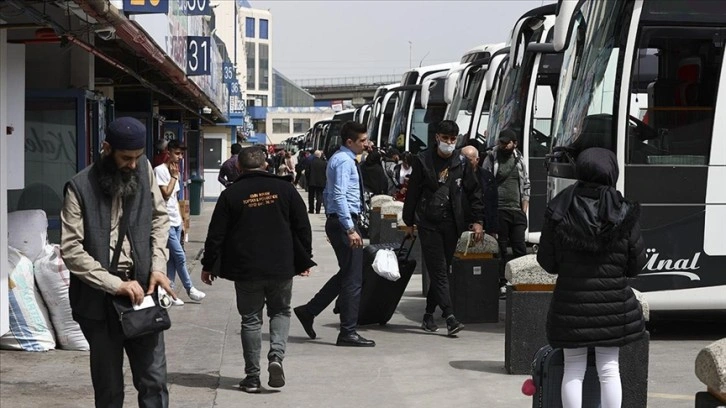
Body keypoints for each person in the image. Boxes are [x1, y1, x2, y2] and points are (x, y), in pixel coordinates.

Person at [60, 116, 177, 408]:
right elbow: (71, 250)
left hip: (143, 295)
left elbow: (160, 218)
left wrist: (158, 267)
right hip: (99, 301)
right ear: (106, 148)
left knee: (154, 381)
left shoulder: (145, 170)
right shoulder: (79, 187)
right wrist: (115, 285)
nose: (133, 165)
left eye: (138, 157)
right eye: (126, 158)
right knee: (109, 389)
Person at [537, 147, 646, 408]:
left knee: (573, 368)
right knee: (609, 369)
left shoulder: (560, 208)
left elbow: (547, 262)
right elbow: (636, 264)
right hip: (612, 307)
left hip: (570, 305)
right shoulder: (624, 211)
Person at [200, 146, 314, 393]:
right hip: (281, 265)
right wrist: (304, 258)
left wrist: (208, 265)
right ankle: (276, 357)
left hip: (246, 267)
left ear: (238, 167)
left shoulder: (231, 194)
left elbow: (216, 234)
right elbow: (302, 226)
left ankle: (252, 377)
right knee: (280, 311)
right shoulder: (286, 189)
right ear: (266, 165)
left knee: (250, 319)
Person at [293, 121, 375, 347]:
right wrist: (349, 228)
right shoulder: (344, 161)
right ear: (349, 141)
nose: (366, 144)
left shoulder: (345, 159)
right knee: (353, 279)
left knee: (348, 273)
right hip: (344, 222)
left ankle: (309, 311)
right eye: (362, 140)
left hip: (341, 221)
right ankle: (348, 331)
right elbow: (339, 195)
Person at [402, 120, 485, 336]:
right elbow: (413, 193)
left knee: (442, 270)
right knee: (438, 270)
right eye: (445, 138)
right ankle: (449, 317)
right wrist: (408, 222)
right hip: (428, 223)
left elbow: (474, 192)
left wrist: (478, 221)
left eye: (452, 139)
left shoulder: (461, 162)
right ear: (437, 137)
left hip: (452, 224)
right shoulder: (423, 160)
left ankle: (429, 314)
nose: (448, 142)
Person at [154, 140, 206, 305]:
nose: (180, 157)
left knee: (172, 259)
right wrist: (174, 177)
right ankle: (190, 289)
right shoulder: (160, 171)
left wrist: (182, 221)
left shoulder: (175, 170)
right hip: (165, 221)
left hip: (175, 220)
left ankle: (169, 292)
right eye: (177, 153)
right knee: (180, 256)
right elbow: (165, 194)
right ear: (168, 152)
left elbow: (175, 199)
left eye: (182, 154)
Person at [481, 128, 531, 289]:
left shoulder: (520, 160)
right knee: (501, 249)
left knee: (520, 247)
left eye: (506, 143)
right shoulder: (491, 157)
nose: (503, 145)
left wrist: (524, 208)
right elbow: (485, 183)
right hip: (499, 210)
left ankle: (520, 279)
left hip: (516, 211)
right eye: (501, 142)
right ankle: (502, 281)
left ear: (514, 143)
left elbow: (526, 184)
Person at [461, 145, 498, 236]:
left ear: (477, 160)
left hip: (484, 221)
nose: (465, 163)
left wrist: (493, 228)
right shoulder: (455, 175)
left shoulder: (487, 177)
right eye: (462, 159)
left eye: (468, 160)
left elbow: (493, 202)